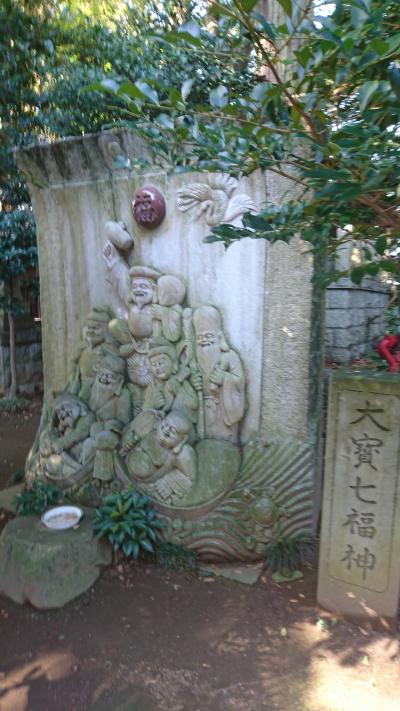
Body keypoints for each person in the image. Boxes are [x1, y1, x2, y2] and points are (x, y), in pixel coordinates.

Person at [191, 306, 245, 443]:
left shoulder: (230, 356)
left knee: (224, 443)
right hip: (203, 411)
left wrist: (225, 378)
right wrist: (194, 381)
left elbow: (239, 383)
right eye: (200, 337)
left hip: (224, 409)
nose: (204, 341)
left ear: (219, 337)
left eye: (208, 336)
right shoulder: (195, 359)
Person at [122, 410, 197, 504]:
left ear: (182, 439)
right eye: (166, 424)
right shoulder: (151, 425)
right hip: (124, 468)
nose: (166, 430)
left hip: (147, 488)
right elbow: (132, 431)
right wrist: (128, 439)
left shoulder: (182, 454)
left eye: (173, 430)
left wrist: (167, 483)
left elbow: (189, 478)